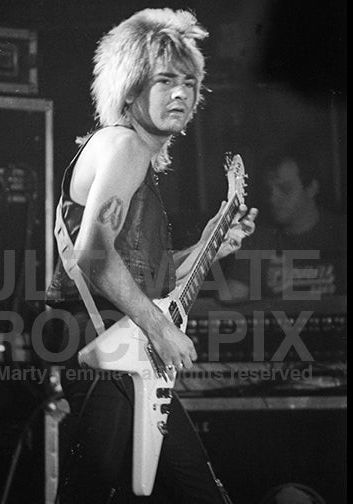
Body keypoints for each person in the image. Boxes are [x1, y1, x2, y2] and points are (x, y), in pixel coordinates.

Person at [45, 8, 257, 503]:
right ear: (131, 86)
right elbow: (94, 257)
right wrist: (162, 329)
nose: (181, 93)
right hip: (107, 345)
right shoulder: (125, 148)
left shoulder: (131, 157)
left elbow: (142, 275)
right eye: (164, 80)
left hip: (124, 347)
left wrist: (210, 245)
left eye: (188, 81)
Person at [221, 140, 346, 303]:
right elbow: (227, 301)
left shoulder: (341, 232)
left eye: (285, 189)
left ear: (311, 188)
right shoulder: (257, 238)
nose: (273, 198)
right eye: (269, 190)